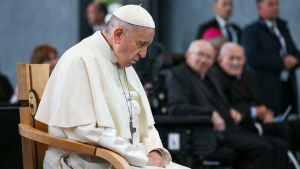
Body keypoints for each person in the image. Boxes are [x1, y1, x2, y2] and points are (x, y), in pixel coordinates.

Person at [35, 5, 188, 169]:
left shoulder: (124, 63)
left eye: (147, 46)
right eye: (141, 44)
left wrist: (153, 151)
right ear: (118, 35)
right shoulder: (79, 59)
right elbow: (84, 132)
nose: (144, 54)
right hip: (87, 162)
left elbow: (146, 124)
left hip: (127, 158)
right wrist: (142, 158)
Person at [166, 40, 290, 169]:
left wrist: (230, 110)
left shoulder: (210, 75)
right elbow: (176, 108)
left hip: (231, 128)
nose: (203, 60)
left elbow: (219, 102)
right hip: (208, 133)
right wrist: (210, 114)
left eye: (208, 57)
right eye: (200, 54)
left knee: (280, 145)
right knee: (264, 148)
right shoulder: (178, 75)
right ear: (188, 54)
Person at [213, 42, 300, 151]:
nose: (235, 62)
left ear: (244, 60)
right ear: (220, 59)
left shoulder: (246, 75)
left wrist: (267, 113)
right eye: (231, 58)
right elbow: (225, 107)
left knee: (297, 125)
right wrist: (255, 112)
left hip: (259, 121)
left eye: (239, 58)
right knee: (283, 130)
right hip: (242, 126)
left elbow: (259, 102)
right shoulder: (216, 77)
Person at [242, 0, 300, 114]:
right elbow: (252, 58)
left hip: (287, 86)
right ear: (260, 8)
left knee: (290, 121)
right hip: (266, 88)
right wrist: (281, 63)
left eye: (277, 4)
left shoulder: (283, 27)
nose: (275, 7)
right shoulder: (251, 30)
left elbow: (295, 52)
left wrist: (296, 60)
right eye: (271, 4)